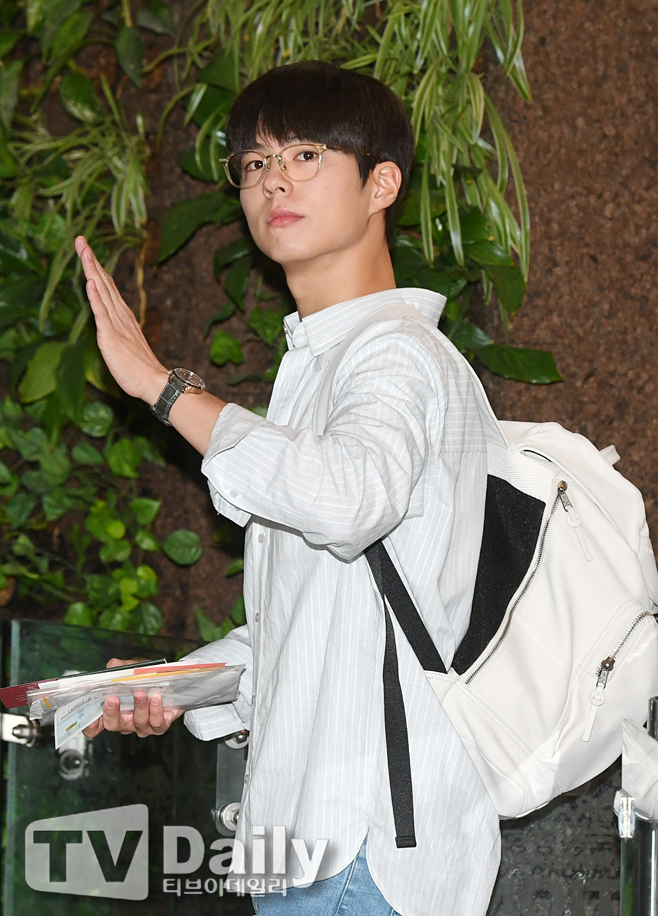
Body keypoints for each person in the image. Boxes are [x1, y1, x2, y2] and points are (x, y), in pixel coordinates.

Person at [76, 60, 500, 916]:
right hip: (318, 845)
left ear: (382, 184)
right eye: (255, 163)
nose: (274, 180)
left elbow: (348, 499)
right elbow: (311, 634)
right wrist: (172, 684)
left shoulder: (395, 353)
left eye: (306, 155)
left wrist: (162, 387)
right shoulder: (325, 368)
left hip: (366, 847)